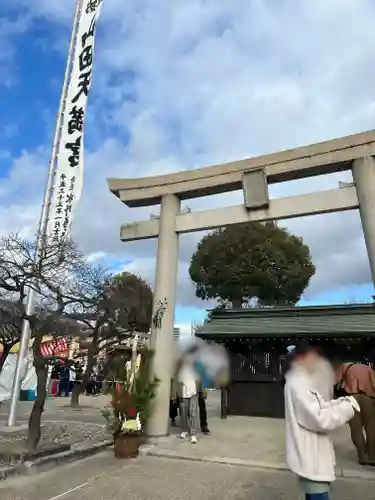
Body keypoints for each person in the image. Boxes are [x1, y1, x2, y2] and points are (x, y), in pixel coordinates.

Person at [284, 343, 360, 500]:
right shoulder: (299, 382)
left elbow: (319, 406)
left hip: (312, 457)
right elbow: (319, 418)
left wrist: (341, 402)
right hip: (312, 458)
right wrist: (348, 408)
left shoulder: (301, 379)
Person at [334, 362, 375, 465]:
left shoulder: (345, 366)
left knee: (356, 430)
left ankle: (362, 457)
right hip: (368, 399)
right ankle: (372, 457)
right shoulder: (368, 369)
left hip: (352, 399)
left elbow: (335, 381)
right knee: (371, 429)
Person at [177, 363, 198, 444]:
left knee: (193, 413)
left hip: (193, 392)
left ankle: (193, 434)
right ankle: (184, 430)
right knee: (183, 413)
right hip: (183, 393)